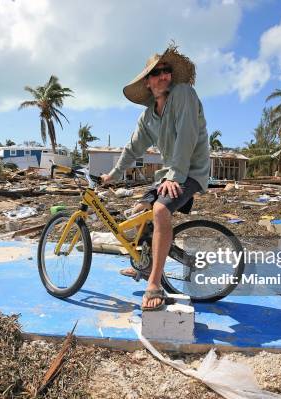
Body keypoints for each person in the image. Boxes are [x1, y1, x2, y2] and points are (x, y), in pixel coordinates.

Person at [100, 45, 211, 311]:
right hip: (169, 175)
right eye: (157, 73)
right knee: (138, 212)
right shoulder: (148, 116)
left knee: (160, 209)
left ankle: (155, 283)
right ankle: (146, 264)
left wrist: (175, 175)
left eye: (167, 71)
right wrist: (113, 175)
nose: (164, 77)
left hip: (191, 171)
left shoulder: (184, 94)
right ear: (147, 83)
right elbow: (132, 148)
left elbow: (187, 136)